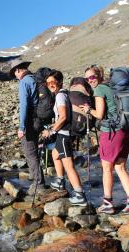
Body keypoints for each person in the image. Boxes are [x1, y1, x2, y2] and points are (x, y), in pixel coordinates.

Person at [81, 66, 129, 214]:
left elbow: (99, 115)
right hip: (125, 130)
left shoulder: (100, 89)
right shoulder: (112, 86)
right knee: (120, 167)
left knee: (107, 169)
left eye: (92, 77)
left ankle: (107, 203)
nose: (90, 81)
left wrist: (88, 110)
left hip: (111, 133)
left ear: (99, 75)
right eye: (87, 79)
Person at [42, 70, 87, 206]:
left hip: (64, 135)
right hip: (64, 133)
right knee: (55, 155)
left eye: (53, 82)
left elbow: (63, 117)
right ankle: (60, 180)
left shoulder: (60, 96)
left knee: (69, 166)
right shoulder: (64, 94)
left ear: (60, 82)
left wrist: (51, 130)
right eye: (48, 83)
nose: (50, 85)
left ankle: (80, 194)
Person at [9, 58, 45, 194]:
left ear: (18, 70)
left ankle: (38, 184)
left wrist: (21, 127)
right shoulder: (35, 79)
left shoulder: (24, 82)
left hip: (30, 120)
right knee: (35, 148)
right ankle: (36, 176)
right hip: (40, 119)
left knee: (30, 152)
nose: (15, 77)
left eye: (15, 74)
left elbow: (23, 105)